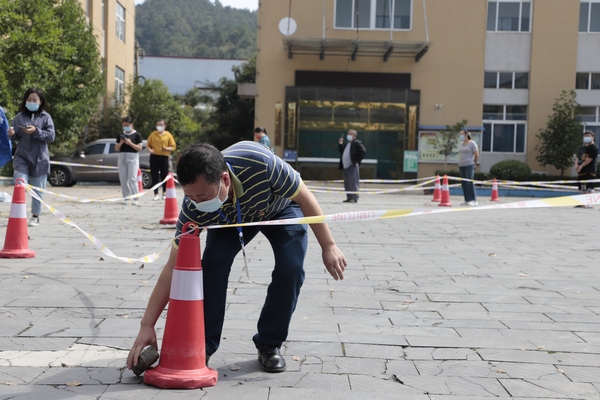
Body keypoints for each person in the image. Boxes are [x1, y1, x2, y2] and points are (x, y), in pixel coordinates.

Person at [127, 141, 347, 374]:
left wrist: (329, 245)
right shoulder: (195, 207)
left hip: (279, 209)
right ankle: (204, 345)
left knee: (290, 268)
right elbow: (173, 268)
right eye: (191, 196)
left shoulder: (260, 164)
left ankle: (269, 343)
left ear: (224, 179)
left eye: (202, 195)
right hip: (228, 219)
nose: (197, 202)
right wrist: (146, 325)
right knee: (213, 262)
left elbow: (304, 197)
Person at [7, 88, 55, 226]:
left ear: (40, 102)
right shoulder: (19, 117)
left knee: (38, 190)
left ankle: (35, 215)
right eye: (29, 99)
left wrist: (36, 131)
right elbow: (15, 137)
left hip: (40, 158)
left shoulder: (46, 117)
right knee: (19, 182)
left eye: (35, 100)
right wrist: (11, 134)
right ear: (25, 100)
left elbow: (51, 136)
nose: (32, 102)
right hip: (22, 156)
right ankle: (19, 215)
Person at [115, 116, 143, 206]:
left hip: (133, 157)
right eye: (124, 125)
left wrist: (130, 143)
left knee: (132, 178)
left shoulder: (137, 135)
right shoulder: (120, 135)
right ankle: (126, 197)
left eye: (127, 125)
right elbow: (116, 148)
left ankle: (135, 198)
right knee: (123, 178)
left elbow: (139, 148)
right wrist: (121, 143)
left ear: (132, 124)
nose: (125, 127)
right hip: (122, 156)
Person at [147, 119, 176, 201]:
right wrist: (150, 150)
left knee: (164, 175)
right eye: (158, 124)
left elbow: (173, 146)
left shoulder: (168, 135)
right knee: (154, 175)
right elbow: (148, 145)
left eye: (161, 125)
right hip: (154, 156)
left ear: (165, 126)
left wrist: (166, 148)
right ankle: (155, 194)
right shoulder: (153, 134)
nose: (159, 126)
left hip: (164, 156)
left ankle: (164, 192)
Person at [338, 129, 366, 203]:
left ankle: (354, 197)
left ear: (354, 136)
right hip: (345, 166)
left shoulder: (356, 143)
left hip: (352, 166)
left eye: (350, 134)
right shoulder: (347, 143)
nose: (348, 135)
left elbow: (363, 151)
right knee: (347, 183)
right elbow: (342, 152)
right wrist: (340, 144)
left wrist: (357, 161)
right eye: (348, 134)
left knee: (353, 182)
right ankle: (349, 197)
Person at [575, 131, 598, 209]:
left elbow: (589, 159)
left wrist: (581, 166)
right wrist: (576, 165)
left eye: (588, 136)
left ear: (592, 137)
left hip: (589, 170)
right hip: (581, 170)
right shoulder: (583, 147)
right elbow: (578, 157)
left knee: (590, 187)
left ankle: (590, 203)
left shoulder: (593, 147)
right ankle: (583, 202)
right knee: (583, 187)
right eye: (585, 136)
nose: (586, 138)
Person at [457, 129, 479, 206]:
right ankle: (466, 199)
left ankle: (473, 199)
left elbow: (476, 154)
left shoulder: (472, 143)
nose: (460, 136)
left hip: (469, 164)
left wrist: (474, 163)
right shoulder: (461, 143)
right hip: (461, 165)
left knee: (469, 182)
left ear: (466, 134)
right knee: (464, 183)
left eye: (462, 134)